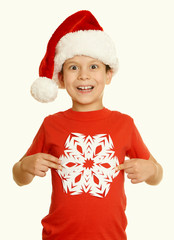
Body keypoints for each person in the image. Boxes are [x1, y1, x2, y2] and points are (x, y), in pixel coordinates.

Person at [12, 10, 163, 240]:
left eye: (93, 66)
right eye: (73, 67)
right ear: (60, 78)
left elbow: (157, 174)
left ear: (108, 74)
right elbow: (19, 177)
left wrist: (151, 170)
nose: (83, 75)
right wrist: (25, 167)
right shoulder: (51, 124)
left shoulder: (125, 124)